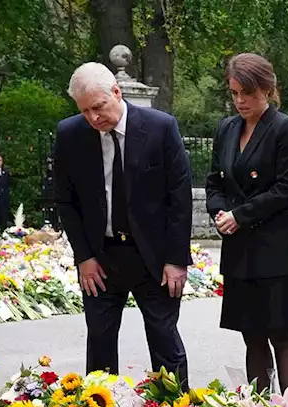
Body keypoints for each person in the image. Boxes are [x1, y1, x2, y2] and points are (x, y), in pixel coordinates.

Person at [53, 62, 192, 387]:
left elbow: (179, 199)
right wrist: (84, 257)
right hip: (101, 259)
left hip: (154, 259)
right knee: (99, 341)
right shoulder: (71, 134)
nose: (93, 118)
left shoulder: (160, 128)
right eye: (85, 111)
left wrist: (175, 260)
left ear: (117, 92)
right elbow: (65, 201)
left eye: (98, 107)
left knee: (164, 339)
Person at [207, 53, 288, 394]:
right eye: (235, 93)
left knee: (281, 334)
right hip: (240, 250)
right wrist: (220, 212)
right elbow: (215, 182)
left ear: (268, 90)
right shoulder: (227, 129)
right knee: (251, 334)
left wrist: (240, 216)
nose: (241, 101)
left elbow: (287, 188)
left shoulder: (286, 128)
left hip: (277, 249)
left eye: (249, 93)